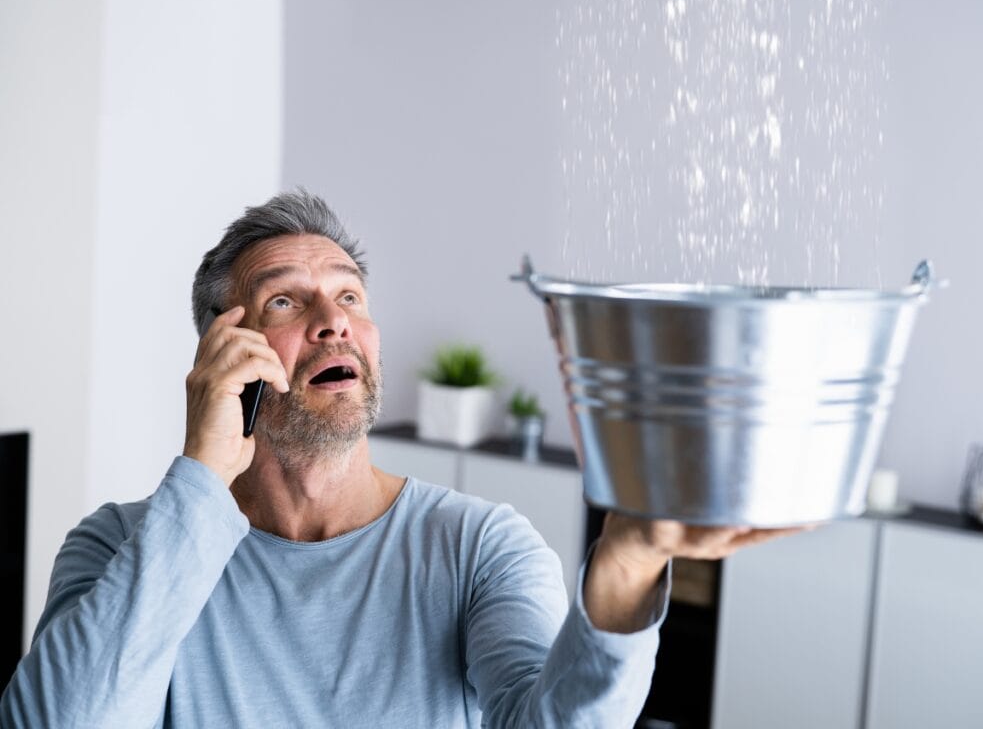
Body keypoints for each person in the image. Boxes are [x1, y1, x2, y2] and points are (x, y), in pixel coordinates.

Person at [0, 191, 795, 727]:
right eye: (285, 300)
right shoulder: (117, 549)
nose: (333, 321)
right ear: (222, 350)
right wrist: (202, 477)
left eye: (350, 297)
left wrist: (623, 565)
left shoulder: (481, 547)